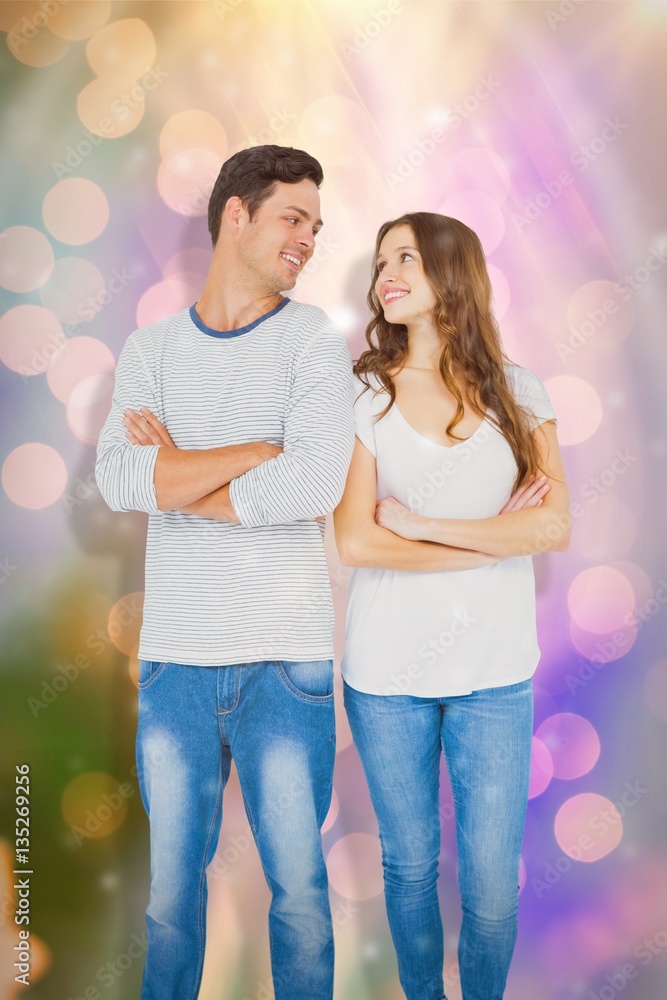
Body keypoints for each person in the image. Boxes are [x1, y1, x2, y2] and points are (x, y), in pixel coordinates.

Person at [95, 145, 354, 1000]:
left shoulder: (315, 341)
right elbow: (122, 479)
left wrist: (185, 476)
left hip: (287, 663)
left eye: (315, 226)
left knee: (300, 895)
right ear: (235, 214)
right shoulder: (151, 350)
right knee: (171, 898)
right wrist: (251, 452)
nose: (308, 239)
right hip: (174, 664)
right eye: (293, 218)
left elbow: (314, 482)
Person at [333, 212, 571, 1000]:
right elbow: (358, 545)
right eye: (380, 262)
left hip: (495, 674)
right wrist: (495, 536)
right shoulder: (363, 393)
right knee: (405, 866)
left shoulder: (517, 388)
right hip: (384, 674)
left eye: (406, 257)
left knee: (492, 887)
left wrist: (426, 525)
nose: (386, 274)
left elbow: (555, 524)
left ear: (450, 274)